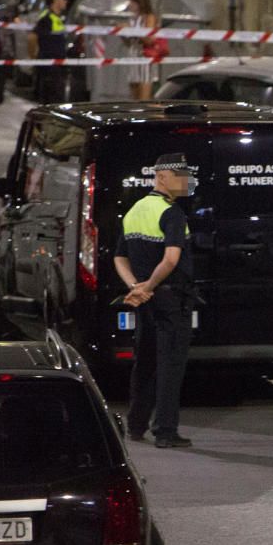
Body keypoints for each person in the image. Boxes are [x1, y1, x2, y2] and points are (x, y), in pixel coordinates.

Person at [114, 153, 198, 449]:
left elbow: (119, 256)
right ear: (161, 176)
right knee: (170, 364)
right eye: (181, 175)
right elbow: (171, 259)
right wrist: (149, 285)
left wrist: (135, 287)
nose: (186, 181)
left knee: (145, 362)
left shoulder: (135, 210)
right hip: (171, 298)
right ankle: (165, 431)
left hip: (147, 300)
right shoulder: (171, 213)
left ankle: (136, 425)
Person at [28, 0, 69, 103]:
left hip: (58, 64)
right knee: (50, 98)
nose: (66, 2)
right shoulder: (46, 18)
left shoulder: (58, 18)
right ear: (56, 0)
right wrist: (34, 57)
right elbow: (32, 37)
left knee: (57, 98)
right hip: (49, 66)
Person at [124, 0, 159, 100]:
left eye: (131, 1)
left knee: (144, 98)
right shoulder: (132, 19)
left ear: (139, 2)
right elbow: (129, 43)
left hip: (145, 59)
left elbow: (149, 40)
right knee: (134, 97)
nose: (129, 4)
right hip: (133, 57)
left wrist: (132, 30)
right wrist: (122, 32)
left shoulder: (149, 17)